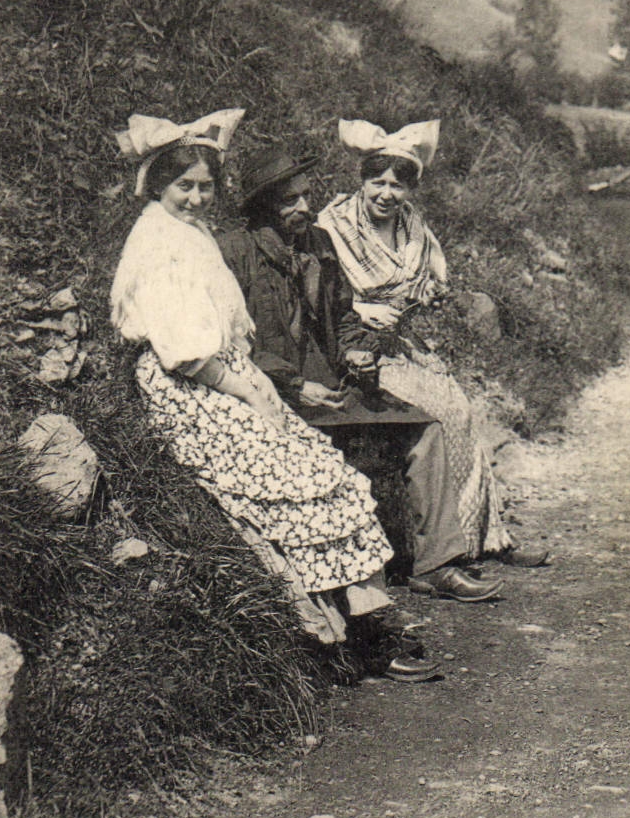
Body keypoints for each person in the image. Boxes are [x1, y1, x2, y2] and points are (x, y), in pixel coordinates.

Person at [108, 110, 436, 682]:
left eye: (206, 186)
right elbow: (187, 352)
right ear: (158, 185)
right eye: (183, 186)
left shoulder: (189, 231)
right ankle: (352, 629)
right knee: (305, 474)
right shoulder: (161, 244)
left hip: (222, 374)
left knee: (323, 469)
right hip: (193, 387)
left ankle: (363, 620)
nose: (196, 197)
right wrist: (255, 394)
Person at [220, 147, 546, 606]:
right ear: (262, 207)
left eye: (307, 197)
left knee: (426, 429)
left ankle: (436, 564)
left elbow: (345, 313)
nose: (304, 209)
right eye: (290, 201)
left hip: (334, 387)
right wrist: (293, 383)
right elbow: (234, 343)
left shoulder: (318, 244)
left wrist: (355, 349)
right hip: (276, 395)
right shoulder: (234, 252)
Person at [314, 120, 519, 602]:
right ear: (361, 180)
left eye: (397, 184)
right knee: (440, 415)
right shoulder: (333, 226)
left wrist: (427, 291)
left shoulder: (412, 226)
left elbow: (432, 278)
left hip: (400, 342)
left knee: (459, 407)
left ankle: (481, 540)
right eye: (377, 182)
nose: (386, 194)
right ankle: (444, 560)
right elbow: (323, 299)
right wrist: (363, 309)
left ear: (410, 187)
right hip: (356, 346)